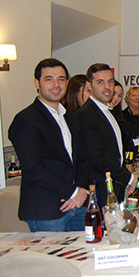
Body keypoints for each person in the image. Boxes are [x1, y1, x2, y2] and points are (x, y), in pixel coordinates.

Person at [8, 58, 90, 231]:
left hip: (79, 206)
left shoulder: (72, 117)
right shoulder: (26, 120)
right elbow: (33, 168)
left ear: (67, 83)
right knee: (51, 251)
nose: (56, 85)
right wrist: (72, 192)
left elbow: (83, 158)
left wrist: (80, 190)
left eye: (61, 79)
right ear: (37, 83)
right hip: (47, 211)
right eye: (49, 79)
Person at [78, 63, 135, 201]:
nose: (107, 87)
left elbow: (115, 154)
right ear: (89, 86)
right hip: (99, 189)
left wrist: (125, 179)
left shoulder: (106, 111)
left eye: (110, 81)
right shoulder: (87, 114)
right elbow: (97, 158)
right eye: (100, 82)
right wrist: (128, 178)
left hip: (114, 186)